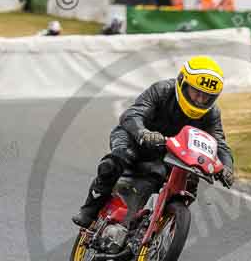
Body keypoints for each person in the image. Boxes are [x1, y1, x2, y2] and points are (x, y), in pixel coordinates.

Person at [72, 56, 235, 232]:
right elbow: (132, 114)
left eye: (207, 97)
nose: (200, 100)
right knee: (113, 163)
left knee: (190, 179)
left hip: (170, 153)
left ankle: (163, 225)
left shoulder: (211, 113)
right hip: (134, 139)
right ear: (182, 83)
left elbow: (219, 143)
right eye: (196, 92)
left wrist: (227, 167)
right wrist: (143, 133)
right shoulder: (162, 90)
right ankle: (90, 209)